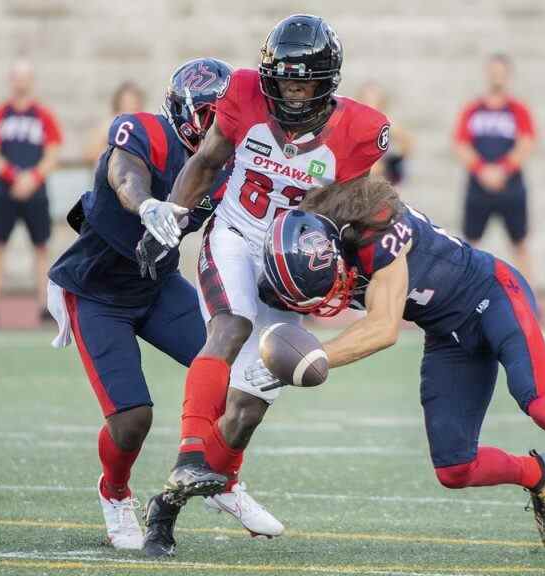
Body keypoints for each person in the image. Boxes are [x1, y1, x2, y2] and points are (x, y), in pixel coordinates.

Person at [250, 177, 545, 570]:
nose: (324, 297)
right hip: (448, 334)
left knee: (542, 405)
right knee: (455, 468)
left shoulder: (373, 231)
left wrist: (313, 358)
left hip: (492, 293)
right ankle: (536, 473)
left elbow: (382, 329)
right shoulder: (311, 246)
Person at [135, 14, 391, 556]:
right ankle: (188, 456)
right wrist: (173, 221)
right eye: (283, 81)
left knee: (252, 403)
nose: (292, 93)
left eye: (303, 82)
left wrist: (340, 268)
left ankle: (170, 505)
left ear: (327, 82)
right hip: (234, 234)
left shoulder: (359, 131)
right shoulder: (244, 94)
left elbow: (342, 209)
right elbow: (206, 162)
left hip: (285, 257)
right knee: (228, 328)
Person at [46, 58, 233, 550]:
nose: (220, 126)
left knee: (227, 368)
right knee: (132, 421)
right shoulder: (144, 130)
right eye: (211, 115)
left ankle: (223, 477)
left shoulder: (224, 164)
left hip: (155, 286)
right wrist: (147, 203)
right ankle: (114, 493)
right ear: (186, 111)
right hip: (97, 292)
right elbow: (123, 172)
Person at [0, 60, 63, 326]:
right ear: (10, 80)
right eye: (16, 77)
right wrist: (14, 177)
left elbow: (53, 153)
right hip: (5, 191)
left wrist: (33, 178)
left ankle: (44, 305)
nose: (20, 82)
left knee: (41, 248)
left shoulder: (44, 117)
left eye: (25, 77)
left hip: (36, 192)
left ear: (32, 81)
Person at [453, 53, 536, 282]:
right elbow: (460, 143)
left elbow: (526, 142)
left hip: (510, 187)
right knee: (469, 243)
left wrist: (503, 169)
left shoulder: (518, 109)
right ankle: (464, 295)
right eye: (493, 72)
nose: (497, 77)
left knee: (519, 244)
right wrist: (482, 170)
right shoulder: (473, 109)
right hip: (478, 187)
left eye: (502, 72)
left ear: (508, 75)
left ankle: (529, 299)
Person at [356, 81, 414, 185]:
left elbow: (407, 145)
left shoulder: (389, 130)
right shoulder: (352, 128)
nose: (372, 107)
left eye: (376, 102)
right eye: (367, 102)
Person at [84, 81, 145, 166]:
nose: (131, 106)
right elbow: (89, 155)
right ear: (119, 104)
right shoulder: (108, 125)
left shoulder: (145, 127)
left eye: (134, 102)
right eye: (127, 102)